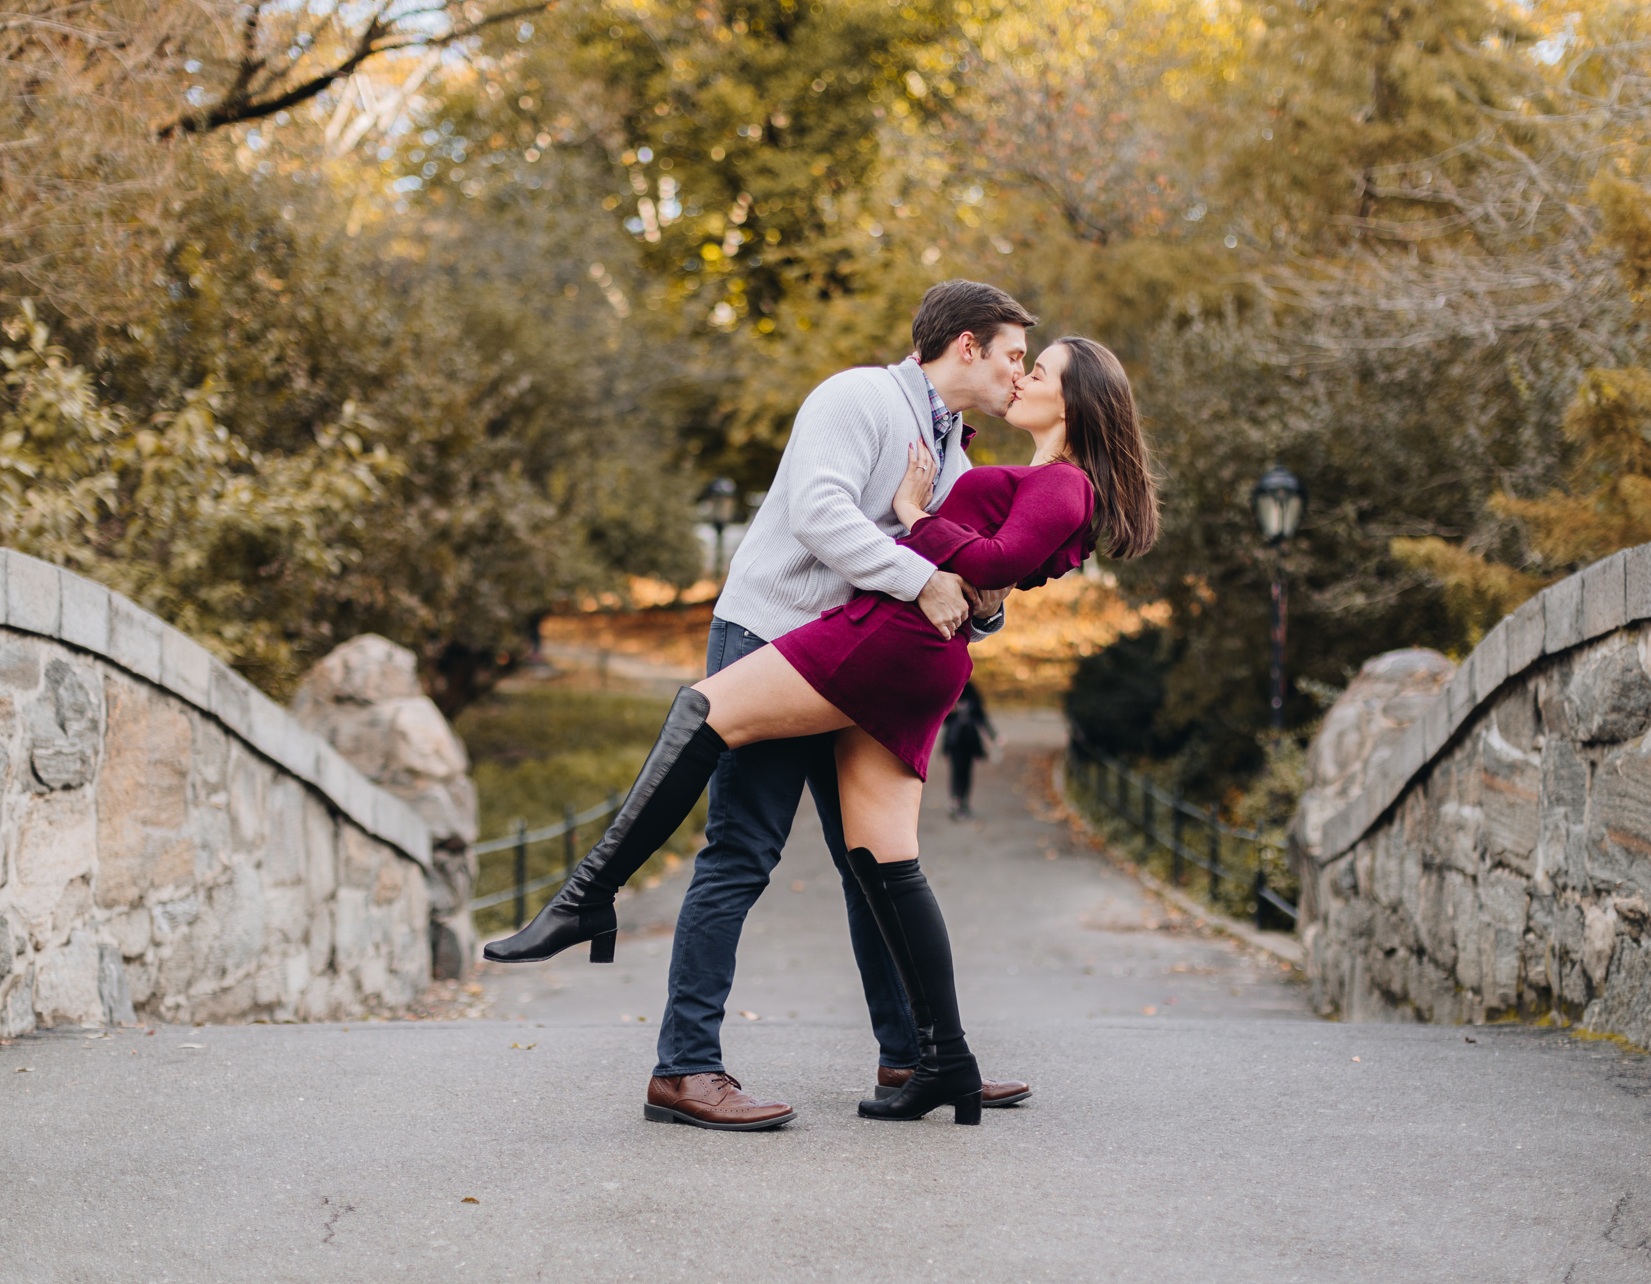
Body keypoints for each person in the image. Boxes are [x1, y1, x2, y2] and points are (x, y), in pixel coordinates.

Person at [487, 309, 1159, 1127]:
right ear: (967, 345)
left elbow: (979, 572)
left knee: (866, 862)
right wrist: (926, 571)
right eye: (1016, 357)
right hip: (777, 635)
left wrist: (955, 585)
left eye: (1035, 368)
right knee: (744, 852)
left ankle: (921, 1052)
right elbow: (824, 516)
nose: (1019, 376)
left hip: (860, 653)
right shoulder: (861, 399)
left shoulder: (956, 446)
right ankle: (687, 1062)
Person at [942, 682, 997, 821]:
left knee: (967, 773)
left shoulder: (972, 696)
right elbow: (942, 719)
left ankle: (964, 801)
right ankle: (955, 800)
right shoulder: (951, 696)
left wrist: (994, 736)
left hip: (970, 743)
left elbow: (982, 718)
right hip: (955, 743)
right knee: (956, 772)